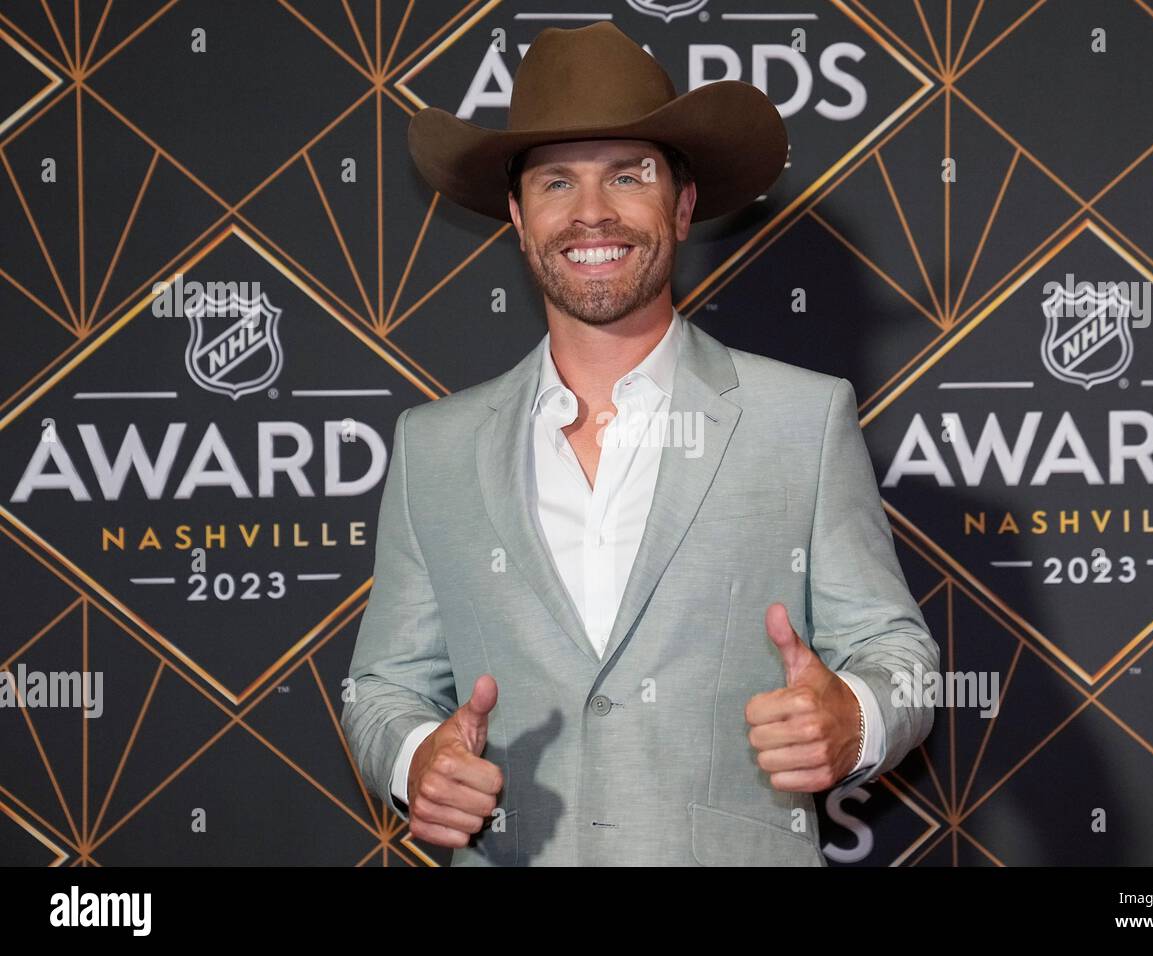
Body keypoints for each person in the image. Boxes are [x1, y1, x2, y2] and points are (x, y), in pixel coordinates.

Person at [342, 21, 938, 866]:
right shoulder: (433, 447)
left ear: (682, 205)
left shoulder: (801, 419)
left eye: (628, 176)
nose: (592, 212)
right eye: (557, 182)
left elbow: (897, 653)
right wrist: (417, 759)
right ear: (518, 216)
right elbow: (382, 687)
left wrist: (858, 716)